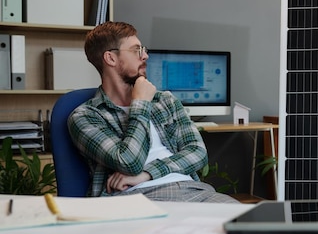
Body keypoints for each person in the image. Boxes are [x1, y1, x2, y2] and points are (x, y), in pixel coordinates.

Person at [68, 21, 238, 203]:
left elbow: (198, 153)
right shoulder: (86, 116)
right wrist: (140, 103)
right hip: (135, 198)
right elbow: (129, 162)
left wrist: (148, 173)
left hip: (193, 190)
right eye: (136, 50)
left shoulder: (164, 100)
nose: (145, 56)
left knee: (243, 220)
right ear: (111, 58)